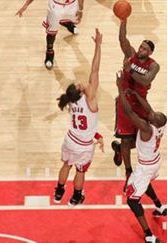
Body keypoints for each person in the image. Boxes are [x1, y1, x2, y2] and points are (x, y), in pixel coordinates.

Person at [116, 71, 167, 243]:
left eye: (153, 116)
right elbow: (147, 108)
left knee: (132, 200)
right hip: (154, 161)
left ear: (154, 122)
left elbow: (129, 113)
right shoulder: (159, 124)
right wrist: (136, 94)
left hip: (145, 166)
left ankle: (149, 235)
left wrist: (120, 88)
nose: (151, 114)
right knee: (145, 184)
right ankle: (159, 206)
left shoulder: (147, 128)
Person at [53, 28, 103, 207]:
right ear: (81, 91)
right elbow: (95, 70)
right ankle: (75, 196)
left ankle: (59, 191)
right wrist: (98, 46)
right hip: (82, 146)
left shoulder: (71, 100)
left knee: (66, 165)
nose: (79, 81)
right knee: (80, 171)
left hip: (70, 139)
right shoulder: (90, 99)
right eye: (78, 83)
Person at [111, 17, 160, 191]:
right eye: (140, 46)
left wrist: (129, 70)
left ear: (150, 53)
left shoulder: (153, 66)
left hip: (140, 104)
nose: (141, 49)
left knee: (142, 139)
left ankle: (118, 149)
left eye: (145, 49)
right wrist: (123, 21)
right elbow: (123, 40)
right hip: (125, 102)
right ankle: (128, 172)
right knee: (126, 140)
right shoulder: (130, 55)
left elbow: (146, 81)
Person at [15, 0, 84, 69]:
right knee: (52, 32)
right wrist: (26, 5)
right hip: (56, 6)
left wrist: (81, 9)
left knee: (67, 19)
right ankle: (49, 52)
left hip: (72, 5)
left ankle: (68, 24)